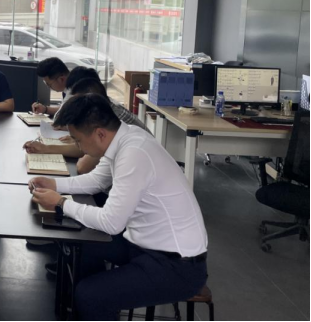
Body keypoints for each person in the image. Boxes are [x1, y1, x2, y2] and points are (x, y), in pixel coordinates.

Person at [30, 95, 208, 321]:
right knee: (82, 244)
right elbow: (96, 180)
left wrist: (61, 203)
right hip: (145, 246)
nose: (78, 146)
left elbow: (111, 223)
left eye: (78, 140)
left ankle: (94, 301)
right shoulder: (122, 139)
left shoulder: (134, 153)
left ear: (99, 134)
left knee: (91, 296)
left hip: (177, 266)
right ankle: (86, 307)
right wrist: (54, 184)